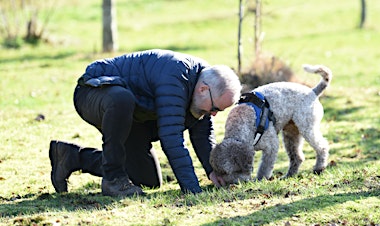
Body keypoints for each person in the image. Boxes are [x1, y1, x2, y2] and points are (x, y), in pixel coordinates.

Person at [49, 49, 242, 196]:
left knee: (147, 180)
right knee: (121, 99)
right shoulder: (176, 77)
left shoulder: (203, 84)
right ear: (202, 89)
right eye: (215, 108)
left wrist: (214, 171)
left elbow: (202, 134)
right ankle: (113, 179)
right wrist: (192, 190)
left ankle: (72, 157)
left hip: (133, 114)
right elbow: (172, 138)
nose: (214, 114)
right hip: (93, 91)